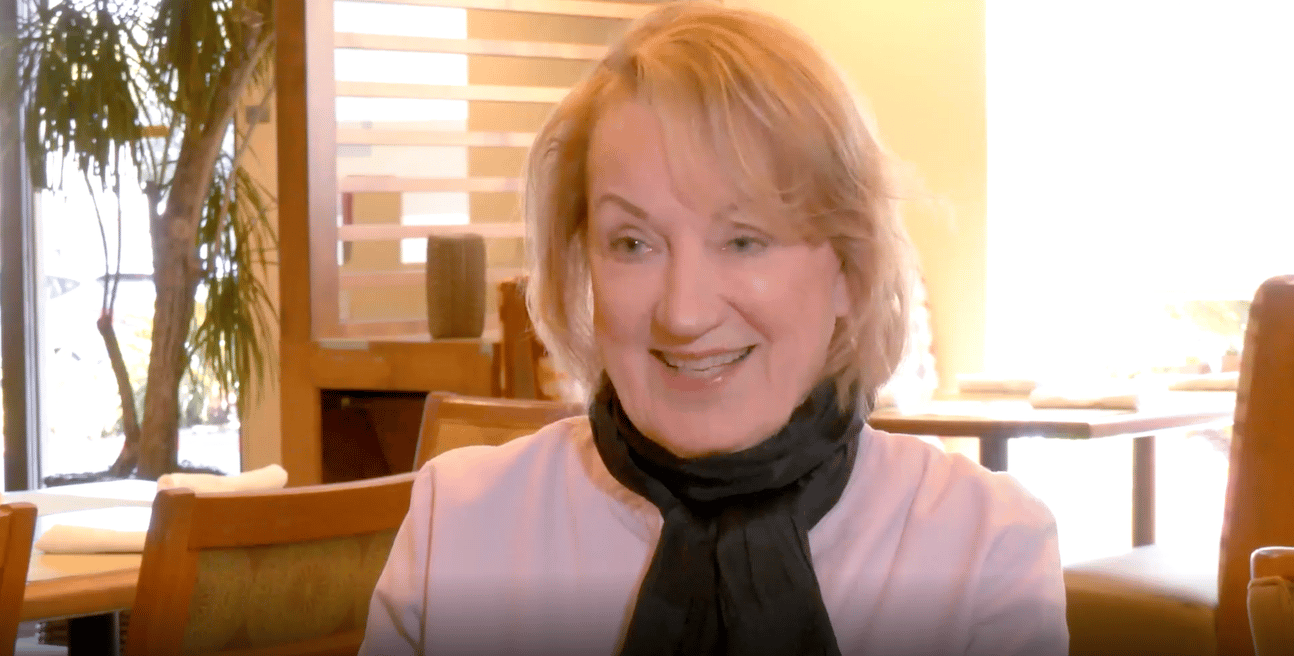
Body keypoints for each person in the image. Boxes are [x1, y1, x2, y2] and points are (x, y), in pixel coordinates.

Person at [359, 2, 1068, 655]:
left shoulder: (983, 546)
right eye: (633, 243)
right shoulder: (457, 526)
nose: (684, 313)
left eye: (744, 240)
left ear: (850, 272)